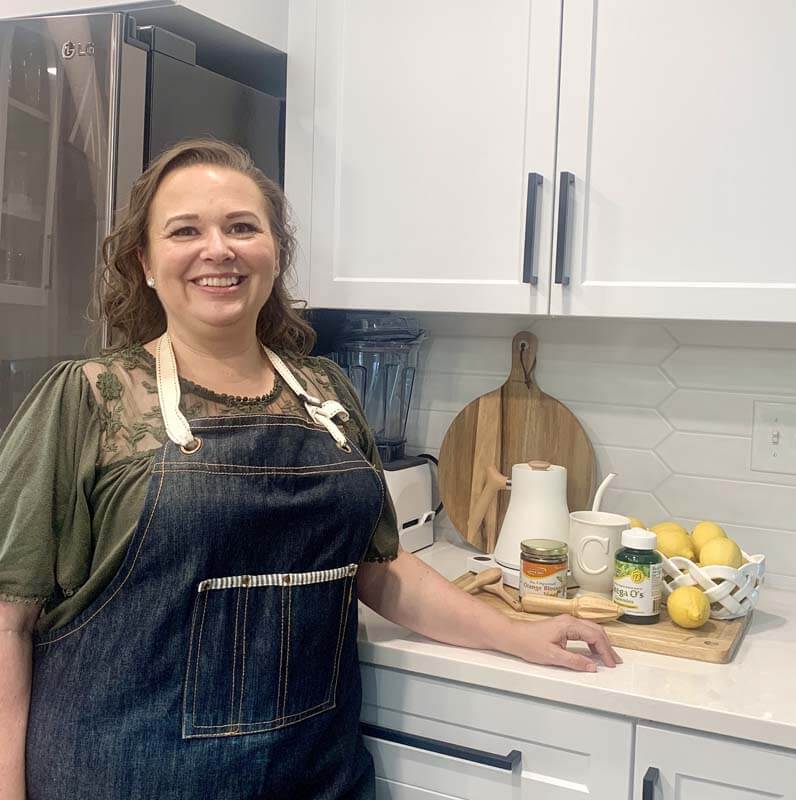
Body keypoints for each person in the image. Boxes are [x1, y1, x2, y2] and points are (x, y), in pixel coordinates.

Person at [0, 139, 620, 800]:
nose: (219, 249)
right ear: (146, 263)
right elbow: (7, 620)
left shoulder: (326, 395)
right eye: (186, 231)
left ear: (275, 254)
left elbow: (379, 568)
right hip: (127, 776)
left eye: (243, 227)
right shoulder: (89, 397)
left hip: (314, 774)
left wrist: (518, 636)